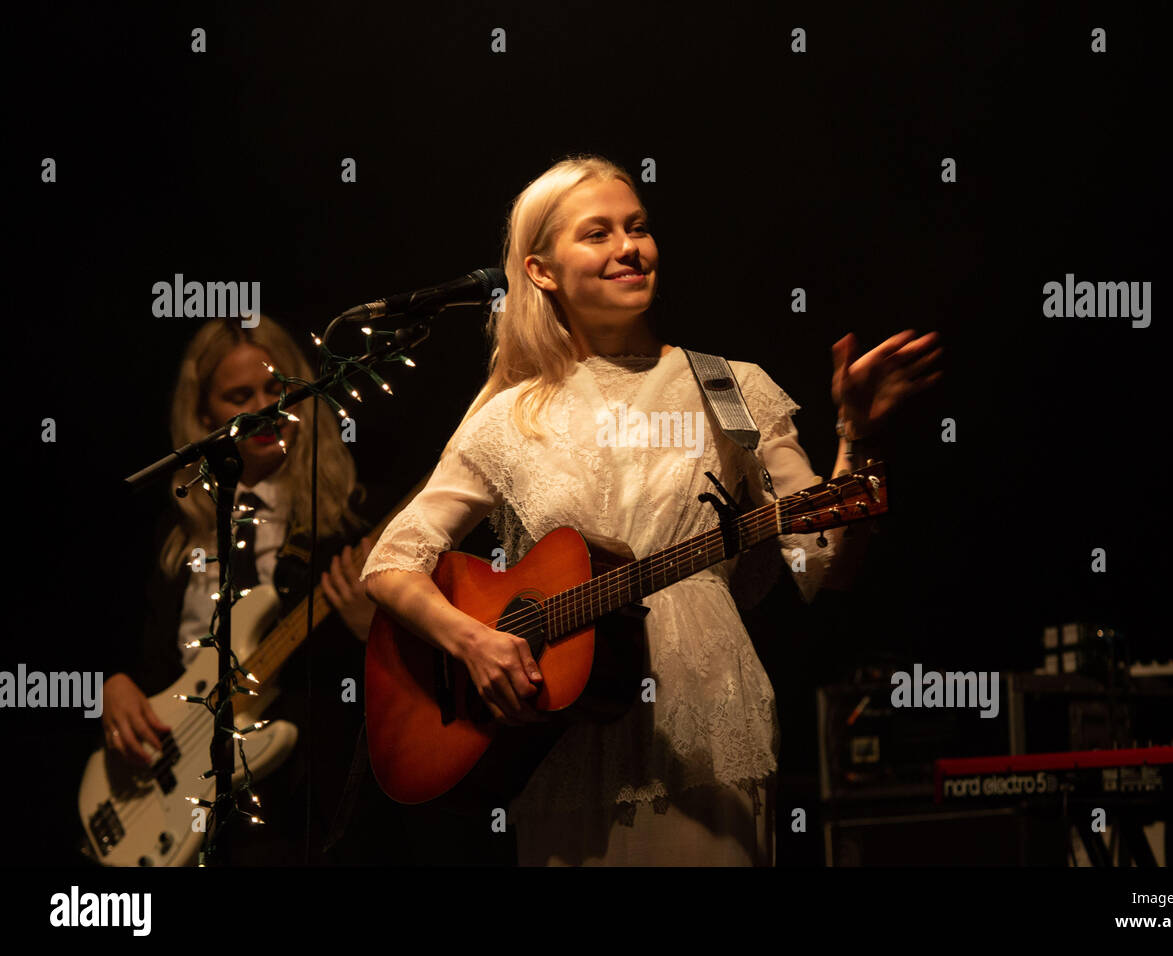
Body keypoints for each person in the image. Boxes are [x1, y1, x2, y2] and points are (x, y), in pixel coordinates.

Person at [360, 154, 942, 866]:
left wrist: (856, 435)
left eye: (636, 228)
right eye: (597, 233)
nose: (628, 247)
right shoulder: (509, 415)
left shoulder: (730, 389)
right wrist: (472, 641)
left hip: (702, 720)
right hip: (560, 735)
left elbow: (827, 567)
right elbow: (391, 562)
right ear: (540, 270)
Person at [101, 315, 380, 865]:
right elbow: (132, 645)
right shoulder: (174, 533)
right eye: (238, 395)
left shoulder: (346, 525)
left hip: (292, 810)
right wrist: (112, 684)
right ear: (203, 413)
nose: (264, 406)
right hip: (169, 790)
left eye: (276, 388)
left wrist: (373, 631)